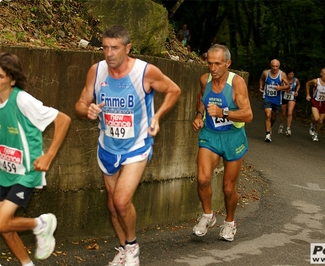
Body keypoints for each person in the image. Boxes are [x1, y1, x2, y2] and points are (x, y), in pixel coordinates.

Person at [74, 25, 181, 265]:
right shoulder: (97, 71)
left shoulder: (145, 72)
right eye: (105, 48)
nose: (109, 53)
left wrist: (157, 116)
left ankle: (132, 247)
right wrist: (87, 110)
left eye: (115, 48)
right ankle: (123, 249)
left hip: (137, 146)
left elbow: (174, 90)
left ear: (128, 48)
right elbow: (80, 104)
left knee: (122, 200)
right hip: (107, 146)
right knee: (113, 206)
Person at [0, 52, 71, 266]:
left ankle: (40, 224)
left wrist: (49, 155)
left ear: (12, 80)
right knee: (6, 225)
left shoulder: (22, 100)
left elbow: (63, 119)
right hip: (5, 171)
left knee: (2, 223)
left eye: (0, 76)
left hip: (27, 172)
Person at [191, 44, 253, 242]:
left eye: (217, 64)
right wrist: (199, 115)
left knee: (228, 188)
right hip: (210, 134)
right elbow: (202, 98)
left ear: (228, 63)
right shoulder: (204, 79)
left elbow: (248, 115)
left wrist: (224, 112)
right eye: (209, 63)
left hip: (233, 137)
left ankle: (230, 222)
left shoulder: (237, 83)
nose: (213, 68)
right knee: (202, 179)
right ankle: (208, 216)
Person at [259, 59, 290, 142]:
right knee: (268, 115)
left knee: (273, 117)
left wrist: (280, 88)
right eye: (273, 66)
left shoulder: (282, 74)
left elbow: (288, 86)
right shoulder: (266, 73)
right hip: (267, 97)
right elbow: (261, 79)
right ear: (270, 66)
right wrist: (261, 86)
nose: (275, 68)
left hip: (277, 99)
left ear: (279, 66)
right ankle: (268, 134)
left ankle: (270, 127)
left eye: (276, 66)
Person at [305, 67, 325, 142]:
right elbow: (307, 84)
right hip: (315, 101)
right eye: (324, 74)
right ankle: (312, 124)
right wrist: (308, 95)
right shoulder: (316, 81)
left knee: (321, 121)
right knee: (316, 118)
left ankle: (316, 134)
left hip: (324, 103)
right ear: (321, 74)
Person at [278, 69, 300, 136]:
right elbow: (279, 87)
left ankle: (288, 128)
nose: (291, 76)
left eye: (292, 74)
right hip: (284, 97)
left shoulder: (295, 80)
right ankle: (281, 125)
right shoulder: (284, 80)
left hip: (292, 97)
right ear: (287, 74)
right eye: (289, 74)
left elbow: (298, 85)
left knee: (290, 113)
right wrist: (284, 90)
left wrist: (297, 91)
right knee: (283, 113)